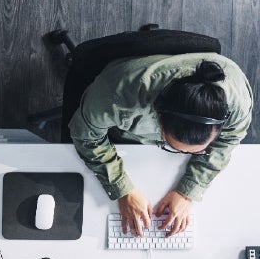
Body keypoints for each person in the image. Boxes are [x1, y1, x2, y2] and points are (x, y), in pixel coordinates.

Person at [69, 54, 253, 238]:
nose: (182, 154)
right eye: (176, 149)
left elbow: (229, 140)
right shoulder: (116, 96)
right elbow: (86, 136)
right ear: (159, 125)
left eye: (197, 151)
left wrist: (187, 191)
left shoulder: (238, 102)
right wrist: (122, 189)